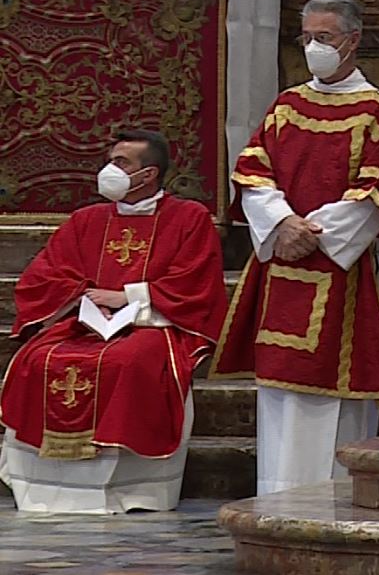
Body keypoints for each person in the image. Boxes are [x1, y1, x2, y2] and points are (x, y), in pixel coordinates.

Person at [211, 0, 379, 494]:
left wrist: (314, 233)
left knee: (337, 398)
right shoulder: (288, 105)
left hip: (342, 274)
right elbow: (252, 169)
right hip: (284, 268)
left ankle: (332, 505)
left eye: (323, 38)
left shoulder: (376, 110)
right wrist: (281, 223)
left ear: (352, 40)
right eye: (306, 38)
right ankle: (276, 501)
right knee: (281, 399)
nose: (312, 47)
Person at [0, 131, 226, 513]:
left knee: (131, 362)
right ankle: (46, 490)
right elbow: (46, 273)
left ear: (149, 174)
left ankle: (129, 489)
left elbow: (195, 279)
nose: (110, 169)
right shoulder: (86, 219)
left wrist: (130, 296)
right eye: (110, 160)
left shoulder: (189, 218)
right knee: (37, 360)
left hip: (153, 322)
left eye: (122, 163)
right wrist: (81, 295)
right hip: (86, 322)